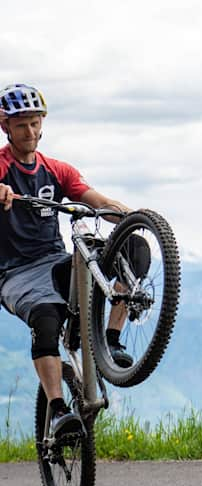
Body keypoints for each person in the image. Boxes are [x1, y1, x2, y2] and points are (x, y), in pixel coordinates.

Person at [0, 83, 133, 436]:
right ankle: (57, 411)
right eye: (20, 124)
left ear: (42, 124)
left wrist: (137, 217)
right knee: (45, 320)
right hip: (16, 274)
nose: (29, 132)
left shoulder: (57, 170)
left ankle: (112, 340)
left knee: (131, 249)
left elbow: (99, 203)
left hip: (56, 262)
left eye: (34, 123)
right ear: (6, 127)